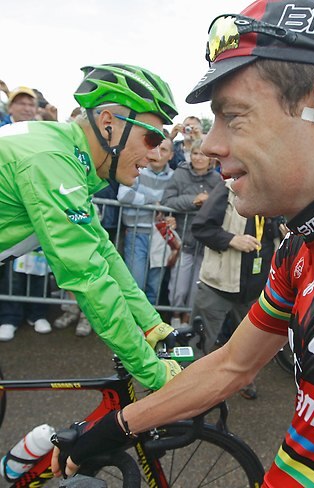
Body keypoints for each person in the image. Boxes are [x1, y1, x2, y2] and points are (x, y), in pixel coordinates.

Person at [52, 1, 314, 486]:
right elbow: (231, 366)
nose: (210, 145)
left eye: (233, 117)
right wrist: (114, 428)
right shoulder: (302, 242)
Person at [0, 63, 182, 390]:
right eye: (151, 138)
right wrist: (153, 372)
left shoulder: (70, 153)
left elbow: (103, 251)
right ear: (108, 124)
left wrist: (152, 324)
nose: (155, 154)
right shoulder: (52, 160)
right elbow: (88, 277)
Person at [190, 177, 282, 398]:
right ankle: (184, 389)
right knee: (199, 341)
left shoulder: (276, 190)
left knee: (249, 345)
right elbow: (200, 227)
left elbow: (274, 234)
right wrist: (232, 239)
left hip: (255, 290)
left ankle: (242, 382)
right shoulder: (228, 189)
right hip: (219, 285)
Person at [0, 85, 52, 341]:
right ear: (10, 107)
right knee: (12, 269)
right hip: (11, 213)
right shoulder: (3, 131)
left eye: (30, 104)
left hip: (37, 211)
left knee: (39, 267)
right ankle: (9, 317)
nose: (26, 108)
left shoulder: (41, 132)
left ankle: (37, 312)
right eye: (21, 103)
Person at [161, 139, 221, 328]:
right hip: (184, 240)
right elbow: (167, 201)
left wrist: (210, 203)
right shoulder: (180, 174)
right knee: (177, 288)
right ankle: (175, 316)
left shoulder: (217, 180)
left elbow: (222, 208)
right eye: (195, 153)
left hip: (205, 244)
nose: (198, 158)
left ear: (211, 159)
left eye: (203, 154)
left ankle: (188, 321)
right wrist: (193, 201)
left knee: (197, 288)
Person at [117, 137, 176, 305]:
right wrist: (153, 202)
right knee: (135, 283)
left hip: (161, 236)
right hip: (137, 233)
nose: (158, 153)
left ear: (171, 155)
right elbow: (124, 195)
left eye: (164, 150)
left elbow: (174, 203)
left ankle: (149, 328)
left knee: (154, 286)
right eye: (156, 147)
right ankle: (132, 326)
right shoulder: (139, 169)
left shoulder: (174, 177)